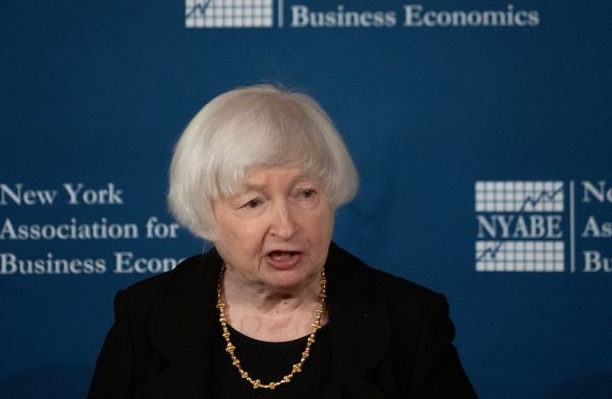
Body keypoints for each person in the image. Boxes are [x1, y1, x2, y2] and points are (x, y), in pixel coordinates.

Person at [88, 85, 476, 398]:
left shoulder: (411, 322)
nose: (286, 227)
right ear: (206, 214)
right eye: (254, 202)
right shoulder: (144, 317)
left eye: (305, 194)